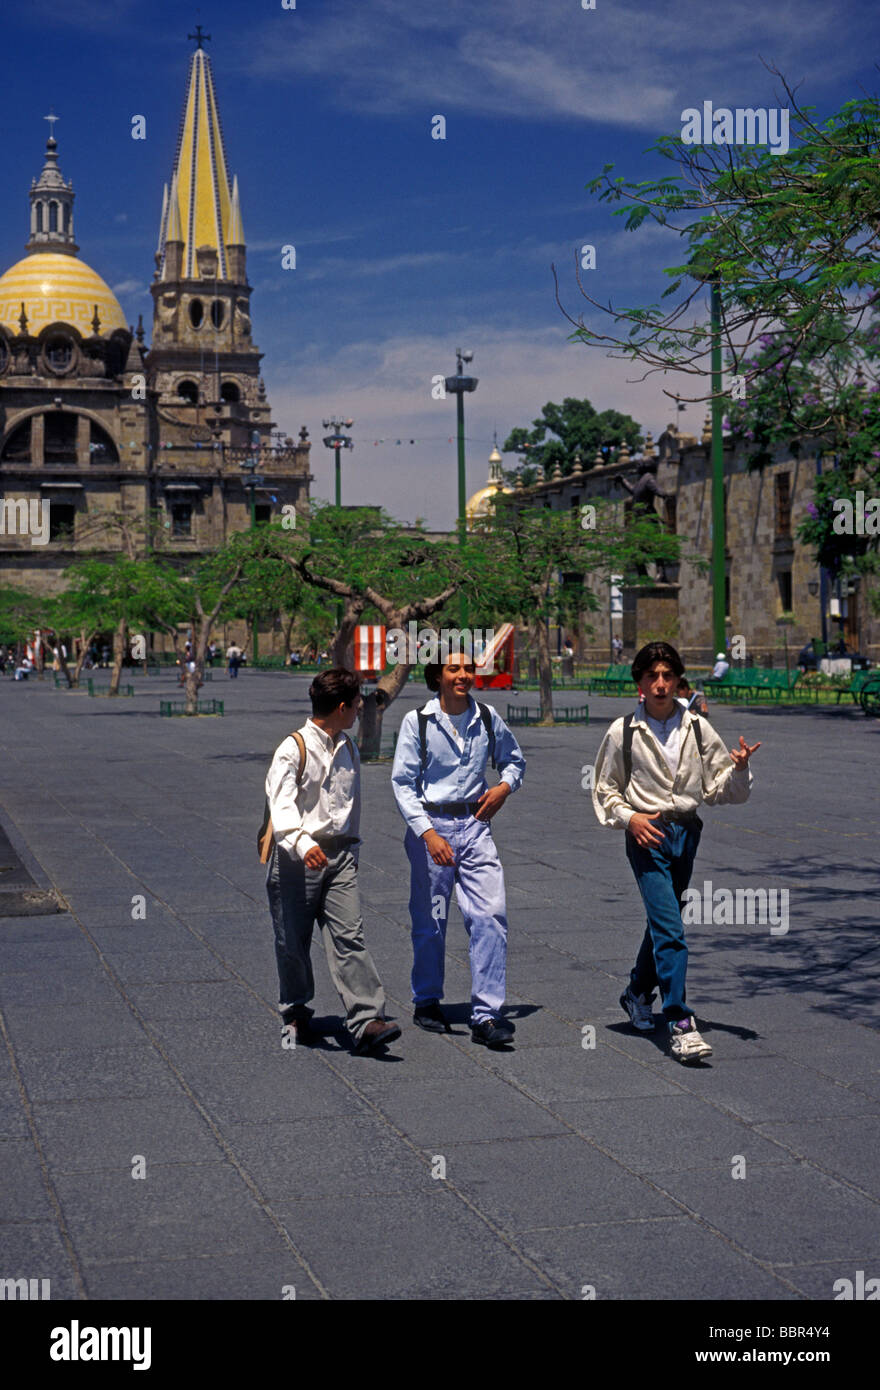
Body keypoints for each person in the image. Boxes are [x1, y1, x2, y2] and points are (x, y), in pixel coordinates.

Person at [592, 641, 760, 1063]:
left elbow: (720, 790)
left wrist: (739, 769)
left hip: (686, 834)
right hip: (646, 836)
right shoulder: (623, 732)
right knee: (671, 930)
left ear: (678, 681)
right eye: (652, 676)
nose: (661, 684)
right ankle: (680, 1022)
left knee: (662, 924)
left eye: (668, 676)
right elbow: (605, 790)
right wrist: (630, 819)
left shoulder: (698, 728)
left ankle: (634, 993)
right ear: (640, 683)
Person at [391, 649, 526, 1048]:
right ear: (438, 675)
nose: (463, 675)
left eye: (469, 668)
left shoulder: (486, 718)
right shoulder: (418, 721)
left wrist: (503, 787)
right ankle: (427, 999)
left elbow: (514, 761)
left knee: (490, 915)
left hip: (475, 827)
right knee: (431, 919)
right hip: (430, 828)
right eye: (454, 669)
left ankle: (486, 1014)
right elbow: (402, 782)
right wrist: (427, 835)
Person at [264, 667, 400, 1055]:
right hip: (296, 858)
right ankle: (295, 1010)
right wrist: (303, 844)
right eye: (357, 704)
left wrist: (351, 852)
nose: (361, 709)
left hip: (339, 858)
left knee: (349, 935)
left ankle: (366, 1020)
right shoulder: (293, 749)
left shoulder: (348, 746)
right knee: (292, 939)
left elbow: (348, 807)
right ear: (342, 707)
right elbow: (282, 803)